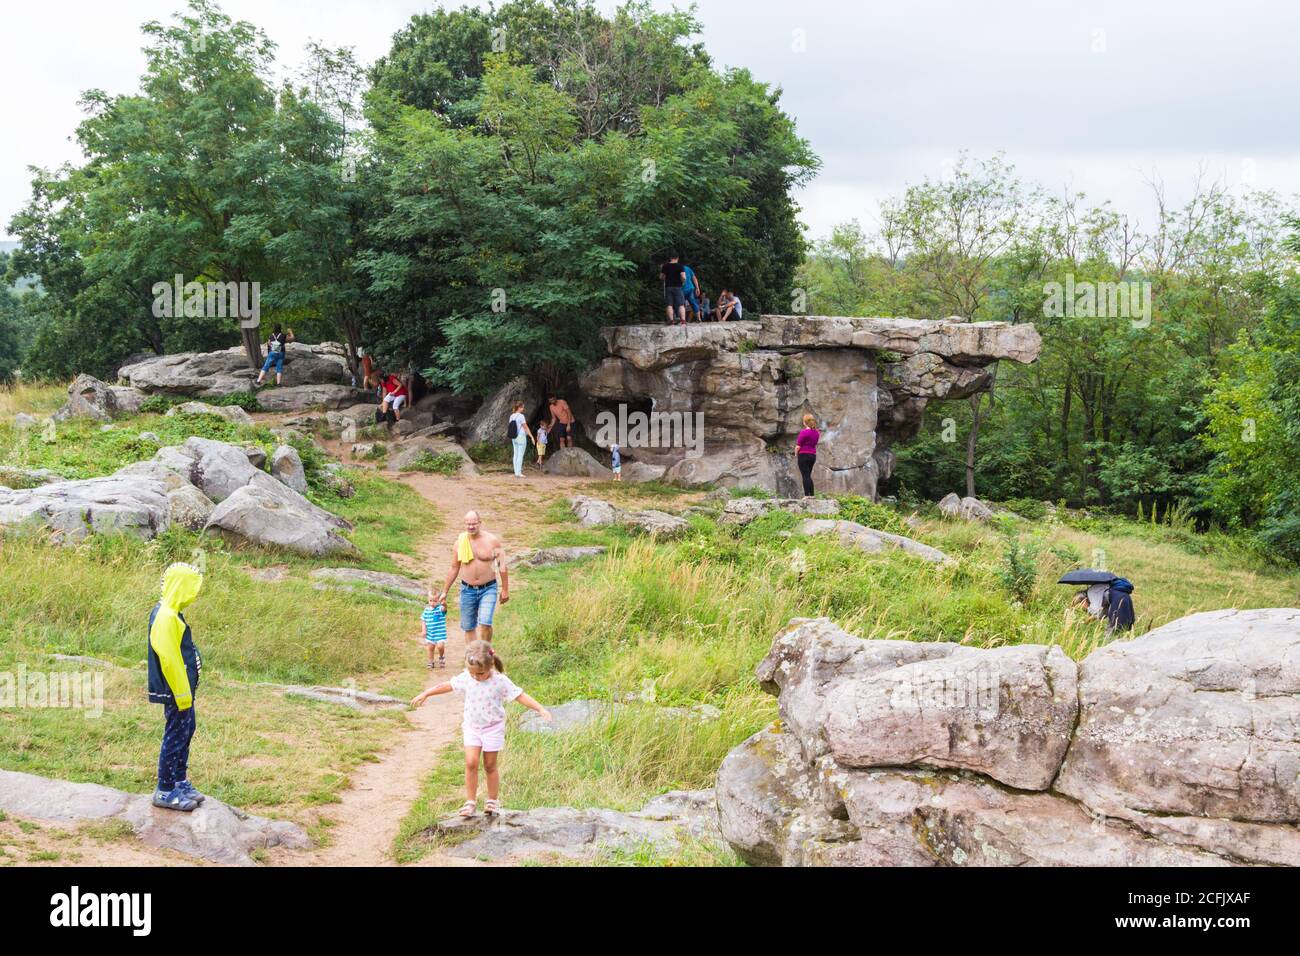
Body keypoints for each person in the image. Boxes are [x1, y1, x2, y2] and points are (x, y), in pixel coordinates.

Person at [411, 640, 552, 818]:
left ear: (491, 666)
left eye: (480, 673)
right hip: (472, 727)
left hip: (493, 728)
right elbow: (447, 685)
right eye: (472, 674)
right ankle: (470, 802)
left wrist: (539, 708)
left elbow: (519, 695)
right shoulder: (467, 677)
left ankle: (492, 801)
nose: (476, 677)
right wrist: (426, 693)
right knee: (471, 763)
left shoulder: (500, 681)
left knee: (490, 765)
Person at [148, 562, 206, 812]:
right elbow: (169, 659)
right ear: (180, 587)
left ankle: (180, 781)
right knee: (174, 736)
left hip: (184, 692)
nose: (195, 595)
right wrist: (182, 694)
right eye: (192, 589)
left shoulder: (173, 613)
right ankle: (165, 788)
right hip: (176, 691)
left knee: (186, 731)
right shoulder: (165, 617)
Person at [431, 511, 509, 643]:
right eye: (468, 524)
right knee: (468, 627)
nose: (471, 527)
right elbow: (454, 568)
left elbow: (502, 565)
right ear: (465, 524)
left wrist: (505, 589)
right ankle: (472, 659)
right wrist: (445, 591)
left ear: (480, 522)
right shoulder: (460, 543)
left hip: (488, 588)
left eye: (474, 524)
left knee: (485, 622)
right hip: (467, 590)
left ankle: (485, 651)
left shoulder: (492, 541)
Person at [418, 596, 448, 669]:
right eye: (430, 600)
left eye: (434, 601)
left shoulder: (440, 609)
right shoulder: (426, 610)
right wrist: (424, 630)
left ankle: (441, 657)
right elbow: (423, 620)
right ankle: (431, 661)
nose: (432, 603)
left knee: (440, 646)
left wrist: (444, 605)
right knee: (430, 648)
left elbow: (444, 609)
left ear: (438, 601)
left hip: (440, 634)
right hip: (430, 634)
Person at [795, 413, 820, 497]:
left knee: (805, 476)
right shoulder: (817, 433)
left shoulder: (804, 432)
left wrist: (795, 454)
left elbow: (798, 446)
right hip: (813, 455)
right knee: (808, 475)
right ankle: (812, 495)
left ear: (805, 422)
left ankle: (806, 496)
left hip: (803, 455)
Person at [508, 401, 535, 477]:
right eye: (522, 407)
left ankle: (516, 472)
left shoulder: (512, 416)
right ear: (519, 408)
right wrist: (531, 436)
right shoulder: (521, 416)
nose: (523, 408)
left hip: (514, 437)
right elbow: (525, 427)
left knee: (515, 454)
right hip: (521, 436)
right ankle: (519, 473)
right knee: (520, 455)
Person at [660, 252, 688, 325]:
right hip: (678, 287)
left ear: (670, 258)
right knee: (681, 304)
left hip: (668, 287)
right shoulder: (680, 266)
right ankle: (683, 321)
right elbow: (684, 277)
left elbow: (661, 277)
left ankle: (671, 321)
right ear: (677, 258)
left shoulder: (665, 266)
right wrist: (683, 281)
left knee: (669, 304)